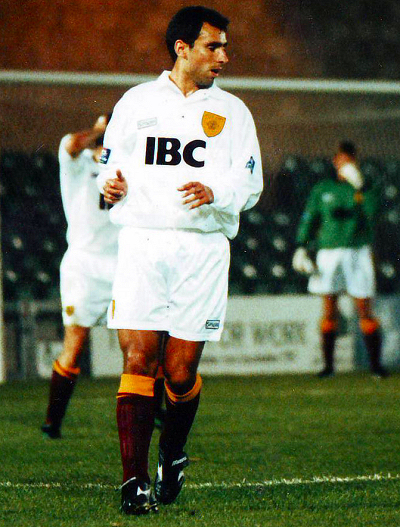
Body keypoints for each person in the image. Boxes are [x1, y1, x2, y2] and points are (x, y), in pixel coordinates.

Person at [96, 6, 263, 516]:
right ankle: (133, 481)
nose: (224, 57)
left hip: (201, 250)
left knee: (179, 373)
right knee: (138, 360)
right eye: (213, 46)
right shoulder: (136, 102)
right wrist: (109, 187)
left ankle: (172, 454)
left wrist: (216, 191)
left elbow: (250, 182)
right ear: (182, 48)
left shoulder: (233, 112)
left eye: (225, 47)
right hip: (142, 244)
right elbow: (108, 167)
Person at [41, 115, 166, 439]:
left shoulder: (131, 167)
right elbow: (72, 143)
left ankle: (154, 412)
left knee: (142, 343)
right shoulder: (79, 162)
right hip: (83, 265)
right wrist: (101, 131)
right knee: (75, 343)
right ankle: (52, 422)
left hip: (125, 262)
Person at [292, 140, 388, 379]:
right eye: (341, 160)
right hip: (329, 251)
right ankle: (328, 367)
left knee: (364, 307)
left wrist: (361, 187)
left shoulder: (364, 187)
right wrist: (301, 245)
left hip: (357, 250)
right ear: (335, 162)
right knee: (329, 307)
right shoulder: (323, 188)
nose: (344, 164)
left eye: (349, 160)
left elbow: (373, 213)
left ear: (355, 162)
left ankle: (376, 366)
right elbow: (310, 217)